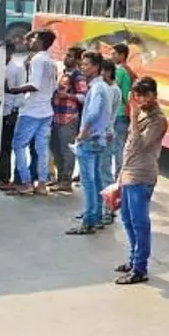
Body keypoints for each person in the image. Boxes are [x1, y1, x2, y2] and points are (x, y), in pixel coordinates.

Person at [115, 76, 169, 285]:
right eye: (138, 96)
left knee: (139, 223)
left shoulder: (158, 120)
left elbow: (139, 144)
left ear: (154, 95)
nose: (142, 100)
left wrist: (134, 117)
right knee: (127, 220)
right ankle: (134, 258)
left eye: (146, 95)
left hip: (142, 175)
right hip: (129, 173)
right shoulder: (143, 113)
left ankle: (140, 268)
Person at [6, 30, 58, 196]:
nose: (31, 41)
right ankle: (42, 183)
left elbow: (34, 85)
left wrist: (13, 90)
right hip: (46, 110)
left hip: (32, 109)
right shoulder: (51, 61)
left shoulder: (37, 59)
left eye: (34, 38)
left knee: (18, 145)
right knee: (41, 148)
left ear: (41, 41)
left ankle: (26, 182)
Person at [67, 51, 111, 235]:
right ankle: (98, 215)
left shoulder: (97, 88)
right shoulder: (103, 87)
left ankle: (90, 220)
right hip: (99, 138)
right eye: (82, 64)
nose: (83, 67)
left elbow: (92, 113)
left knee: (89, 181)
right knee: (97, 179)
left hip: (91, 138)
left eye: (87, 64)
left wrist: (82, 133)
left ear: (96, 67)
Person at [49, 45, 87, 194]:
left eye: (70, 56)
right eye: (66, 55)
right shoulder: (63, 73)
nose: (66, 58)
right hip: (56, 116)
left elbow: (84, 96)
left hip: (68, 117)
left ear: (77, 59)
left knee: (67, 150)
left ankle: (66, 180)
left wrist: (68, 96)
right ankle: (59, 179)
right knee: (56, 148)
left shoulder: (78, 76)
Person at [0, 42, 26, 191]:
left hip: (9, 110)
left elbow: (21, 92)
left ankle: (4, 178)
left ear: (10, 51)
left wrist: (15, 111)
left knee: (5, 146)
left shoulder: (17, 69)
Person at [110, 43, 135, 180]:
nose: (111, 56)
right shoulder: (128, 70)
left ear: (122, 55)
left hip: (118, 112)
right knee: (120, 145)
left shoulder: (119, 71)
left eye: (114, 54)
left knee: (117, 146)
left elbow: (114, 88)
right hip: (124, 112)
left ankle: (118, 175)